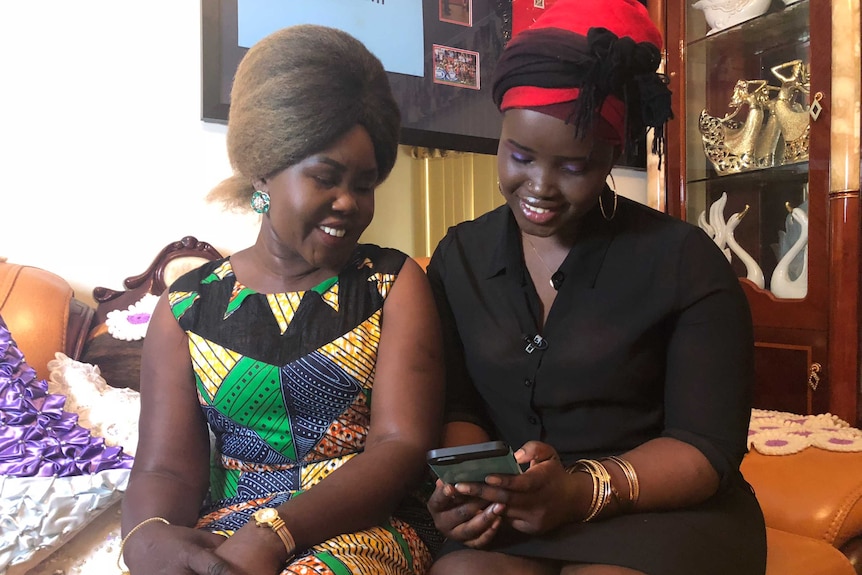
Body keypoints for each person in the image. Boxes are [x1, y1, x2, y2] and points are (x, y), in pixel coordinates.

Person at [424, 1, 767, 574]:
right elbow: (458, 406)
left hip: (660, 511)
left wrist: (581, 492)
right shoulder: (460, 256)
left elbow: (705, 445)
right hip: (522, 507)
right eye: (519, 155)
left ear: (611, 154)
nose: (539, 186)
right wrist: (470, 488)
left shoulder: (683, 261)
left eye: (574, 166)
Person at [119, 24, 444, 575]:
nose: (349, 203)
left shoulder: (391, 283)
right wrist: (148, 543)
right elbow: (165, 471)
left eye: (364, 184)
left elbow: (399, 447)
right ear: (264, 171)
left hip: (363, 524)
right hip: (229, 525)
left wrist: (278, 534)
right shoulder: (187, 307)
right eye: (326, 178)